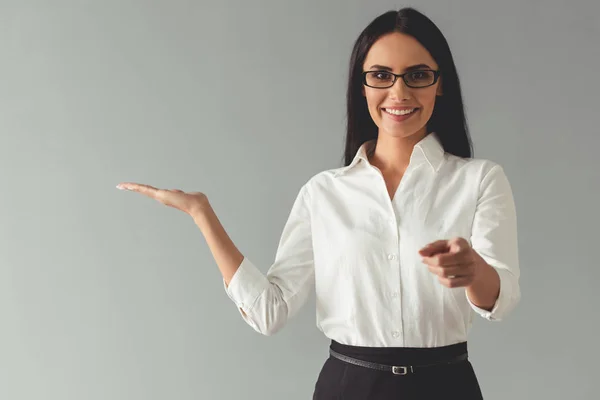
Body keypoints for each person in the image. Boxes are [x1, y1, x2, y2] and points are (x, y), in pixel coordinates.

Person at [116, 7, 520, 399]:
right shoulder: (323, 193)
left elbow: (500, 301)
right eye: (380, 75)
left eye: (417, 75)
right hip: (349, 387)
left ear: (440, 83)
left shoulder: (479, 180)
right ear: (362, 85)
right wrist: (201, 213)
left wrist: (473, 271)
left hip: (446, 387)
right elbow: (268, 312)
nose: (399, 92)